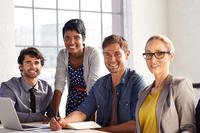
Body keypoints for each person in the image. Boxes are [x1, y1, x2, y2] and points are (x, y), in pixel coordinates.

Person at [50, 34, 146, 132]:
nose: (112, 59)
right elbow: (82, 112)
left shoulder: (137, 82)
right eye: (107, 54)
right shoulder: (100, 84)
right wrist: (63, 121)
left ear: (127, 54)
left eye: (117, 54)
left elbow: (135, 124)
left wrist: (100, 131)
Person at [135, 35, 196, 133]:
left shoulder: (180, 86)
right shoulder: (143, 92)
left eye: (159, 53)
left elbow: (188, 128)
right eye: (149, 54)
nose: (153, 60)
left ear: (171, 56)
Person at [51, 19, 105, 117]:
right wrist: (53, 115)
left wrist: (92, 117)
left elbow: (92, 85)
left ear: (83, 38)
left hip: (91, 100)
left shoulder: (93, 53)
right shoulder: (62, 55)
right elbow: (59, 84)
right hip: (72, 100)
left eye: (76, 37)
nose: (71, 42)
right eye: (67, 38)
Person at [0, 47, 53, 123]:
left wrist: (55, 121)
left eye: (36, 62)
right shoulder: (9, 87)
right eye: (28, 62)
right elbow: (6, 114)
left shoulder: (48, 89)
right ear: (21, 67)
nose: (33, 66)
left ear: (41, 66)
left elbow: (53, 116)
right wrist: (38, 117)